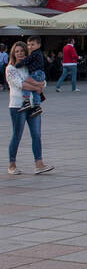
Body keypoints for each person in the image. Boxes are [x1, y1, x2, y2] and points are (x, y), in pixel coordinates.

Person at [7, 40, 53, 174]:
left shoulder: (29, 66)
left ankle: (39, 164)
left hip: (33, 105)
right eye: (17, 51)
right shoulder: (10, 68)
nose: (20, 53)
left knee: (36, 134)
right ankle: (12, 164)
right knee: (17, 135)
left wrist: (39, 85)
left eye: (22, 51)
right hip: (18, 106)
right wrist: (37, 87)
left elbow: (43, 81)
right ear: (13, 54)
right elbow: (20, 85)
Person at [23, 36, 48, 114]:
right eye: (28, 45)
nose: (30, 47)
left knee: (29, 84)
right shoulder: (12, 67)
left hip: (31, 104)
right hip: (17, 104)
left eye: (32, 45)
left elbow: (44, 83)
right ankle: (37, 106)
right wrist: (37, 86)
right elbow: (19, 84)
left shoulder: (35, 56)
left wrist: (37, 83)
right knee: (35, 91)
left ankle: (28, 103)